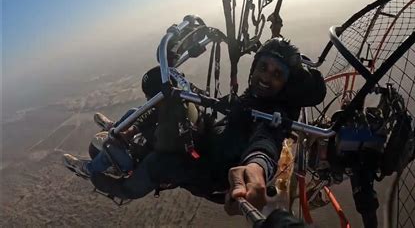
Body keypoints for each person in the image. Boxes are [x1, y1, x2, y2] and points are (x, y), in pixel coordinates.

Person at [63, 38, 327, 211]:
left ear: (285, 84)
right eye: (263, 67)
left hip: (211, 172)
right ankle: (124, 128)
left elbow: (266, 141)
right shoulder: (253, 98)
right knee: (164, 99)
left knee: (157, 162)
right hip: (209, 141)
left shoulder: (274, 114)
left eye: (277, 74)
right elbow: (225, 108)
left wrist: (255, 169)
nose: (266, 77)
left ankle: (97, 174)